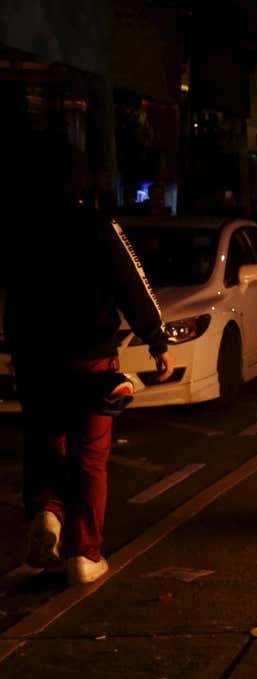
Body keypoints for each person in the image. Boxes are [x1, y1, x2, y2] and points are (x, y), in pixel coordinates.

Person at [1, 134, 173, 584]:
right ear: (80, 177)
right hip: (91, 356)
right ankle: (84, 552)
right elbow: (131, 283)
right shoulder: (96, 224)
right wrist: (155, 338)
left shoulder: (15, 227)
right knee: (89, 455)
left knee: (45, 440)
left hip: (34, 356)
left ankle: (46, 513)